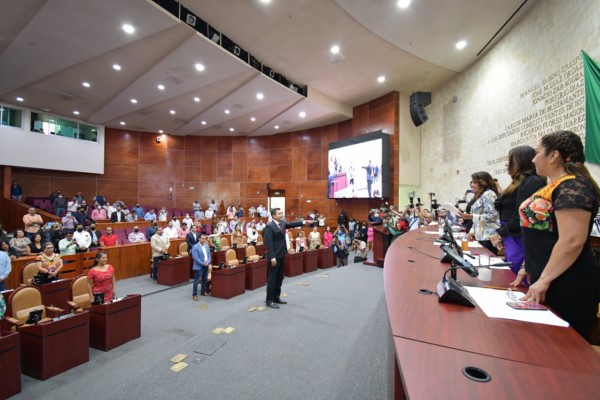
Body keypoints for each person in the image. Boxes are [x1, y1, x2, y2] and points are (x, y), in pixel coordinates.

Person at [512, 130, 600, 339]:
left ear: (554, 155)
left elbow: (572, 241)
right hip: (547, 276)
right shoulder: (552, 186)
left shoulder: (573, 185)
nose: (533, 158)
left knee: (562, 349)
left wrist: (544, 278)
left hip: (568, 281)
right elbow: (542, 233)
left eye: (538, 152)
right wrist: (528, 265)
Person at [490, 145, 546, 275]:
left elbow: (522, 215)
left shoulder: (532, 182)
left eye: (510, 160)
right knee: (510, 271)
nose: (506, 164)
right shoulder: (518, 182)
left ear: (520, 161)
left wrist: (501, 233)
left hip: (518, 235)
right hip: (511, 234)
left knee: (515, 274)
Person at [263, 208, 306, 309]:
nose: (281, 215)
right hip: (274, 256)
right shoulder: (270, 226)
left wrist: (303, 222)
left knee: (279, 278)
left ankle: (276, 297)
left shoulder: (282, 223)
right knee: (272, 279)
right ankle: (269, 300)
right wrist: (272, 257)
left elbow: (291, 224)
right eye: (279, 214)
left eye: (281, 213)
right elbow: (269, 243)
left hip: (282, 254)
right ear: (273, 216)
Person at [461, 171, 500, 254]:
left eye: (475, 182)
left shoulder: (489, 194)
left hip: (489, 237)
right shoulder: (481, 195)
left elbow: (493, 215)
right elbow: (478, 218)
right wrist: (471, 232)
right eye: (472, 182)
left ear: (483, 183)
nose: (472, 185)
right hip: (481, 236)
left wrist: (471, 216)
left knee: (486, 263)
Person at [191, 234, 211, 300]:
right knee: (196, 281)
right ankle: (194, 295)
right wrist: (203, 263)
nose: (204, 240)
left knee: (204, 279)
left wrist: (208, 261)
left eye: (204, 238)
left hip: (206, 265)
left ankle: (203, 291)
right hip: (199, 266)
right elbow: (195, 258)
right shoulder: (195, 247)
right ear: (199, 239)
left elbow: (209, 255)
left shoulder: (206, 245)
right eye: (202, 238)